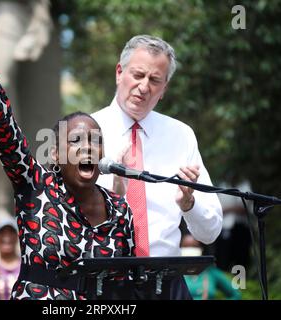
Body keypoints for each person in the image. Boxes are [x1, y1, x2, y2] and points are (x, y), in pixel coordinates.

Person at [0, 25, 135, 300]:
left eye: (95, 140)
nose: (87, 146)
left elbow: (126, 286)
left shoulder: (119, 209)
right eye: (76, 140)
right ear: (55, 154)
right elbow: (3, 129)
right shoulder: (36, 186)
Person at [92, 35, 223, 299]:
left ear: (164, 89)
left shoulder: (181, 135)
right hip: (104, 282)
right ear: (119, 72)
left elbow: (210, 231)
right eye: (137, 75)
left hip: (167, 282)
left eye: (154, 81)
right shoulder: (85, 131)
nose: (143, 87)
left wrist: (189, 204)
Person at [181, 234, 241, 300]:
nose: (190, 251)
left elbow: (236, 295)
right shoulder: (175, 273)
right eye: (186, 247)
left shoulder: (211, 272)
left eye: (194, 247)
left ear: (201, 249)